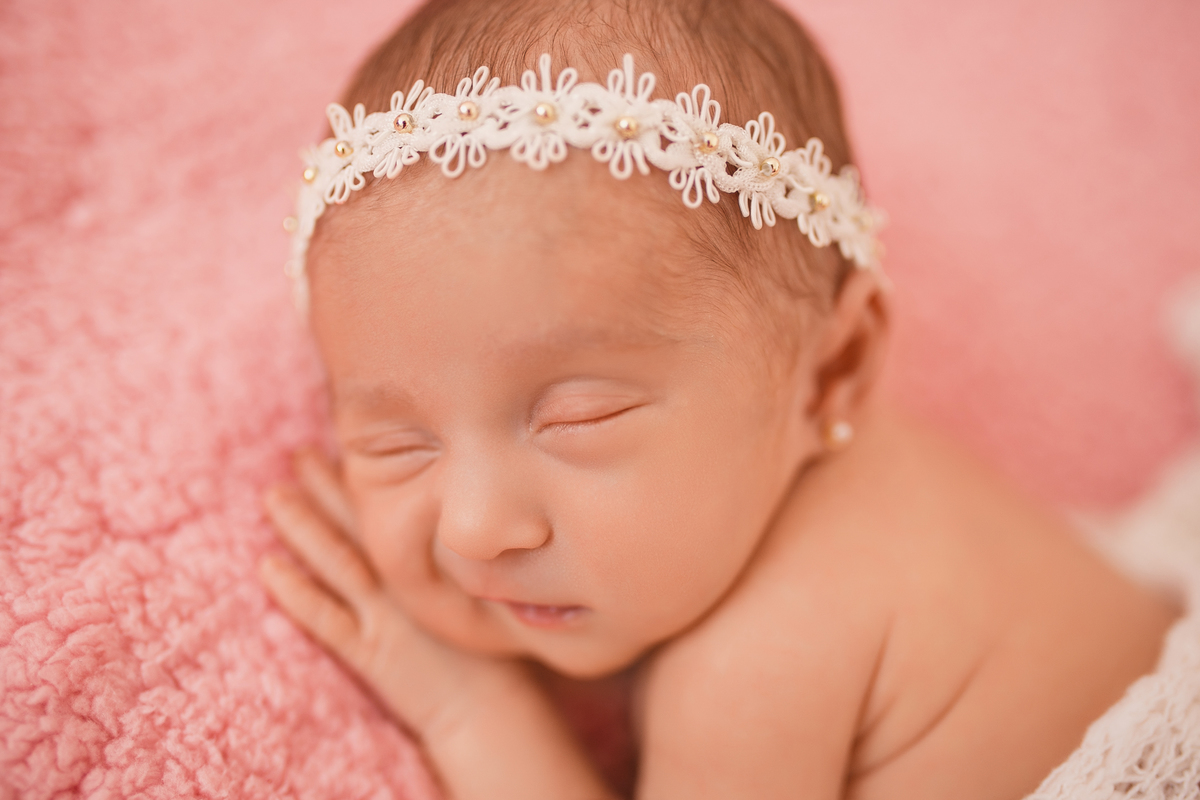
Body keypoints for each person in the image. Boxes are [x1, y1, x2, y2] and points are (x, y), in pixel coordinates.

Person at [258, 0, 1178, 796]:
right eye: (393, 444)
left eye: (578, 416)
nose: (473, 527)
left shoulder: (754, 664)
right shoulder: (869, 477)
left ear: (832, 369)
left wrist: (466, 705)